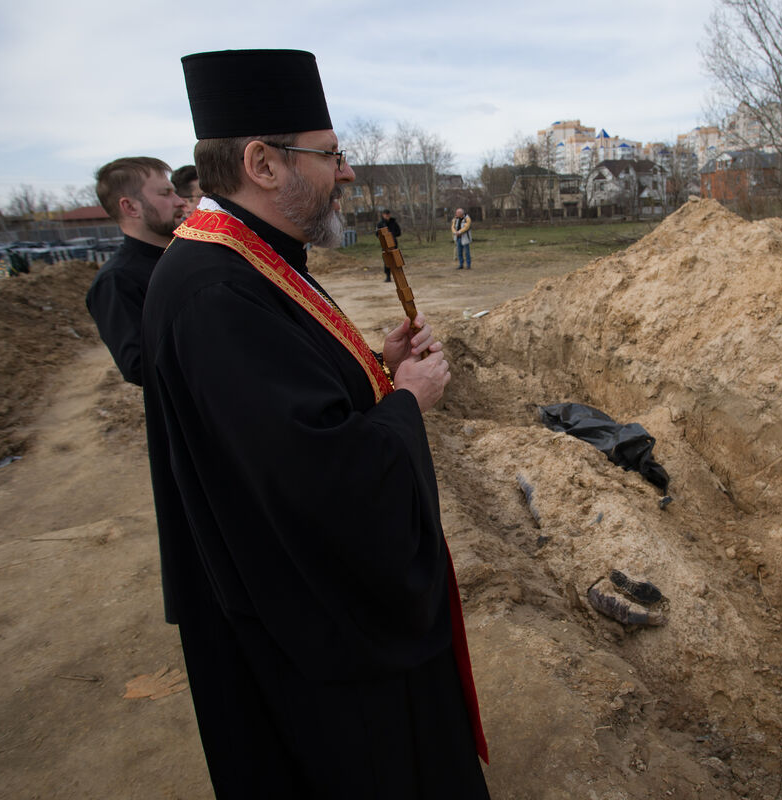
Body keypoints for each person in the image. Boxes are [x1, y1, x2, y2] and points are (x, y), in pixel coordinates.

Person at [141, 49, 489, 798]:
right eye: (331, 155)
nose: (349, 173)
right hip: (311, 633)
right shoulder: (213, 290)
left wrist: (373, 367)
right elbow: (317, 476)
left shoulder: (248, 258)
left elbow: (284, 398)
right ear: (263, 163)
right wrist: (408, 400)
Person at [85, 157, 185, 385]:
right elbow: (138, 366)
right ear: (130, 207)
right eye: (165, 193)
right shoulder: (116, 280)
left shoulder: (184, 258)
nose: (180, 202)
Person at [376, 208, 401, 282]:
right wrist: (385, 238)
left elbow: (399, 232)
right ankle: (388, 276)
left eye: (388, 214)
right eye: (385, 215)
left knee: (396, 260)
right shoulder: (380, 224)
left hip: (393, 244)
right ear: (383, 215)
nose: (387, 216)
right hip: (385, 245)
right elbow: (377, 234)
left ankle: (398, 276)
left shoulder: (393, 222)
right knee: (387, 261)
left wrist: (392, 236)